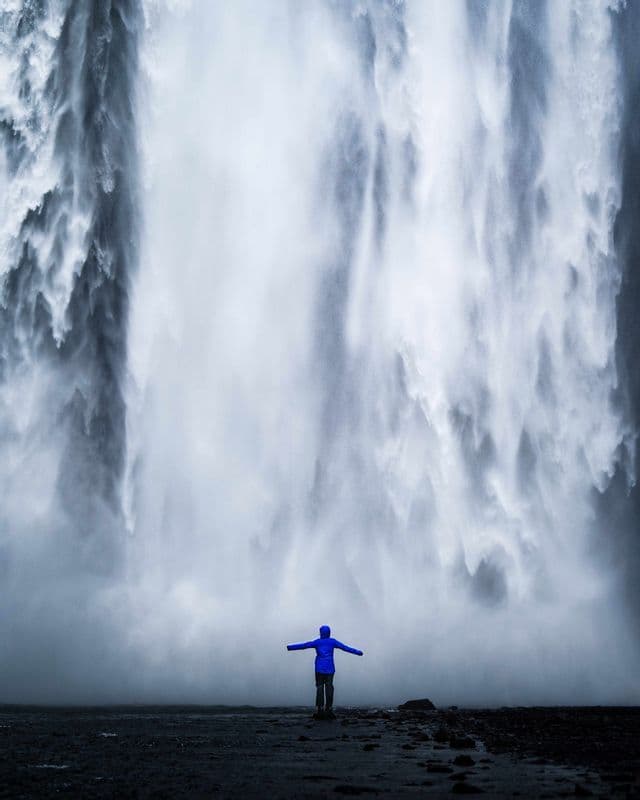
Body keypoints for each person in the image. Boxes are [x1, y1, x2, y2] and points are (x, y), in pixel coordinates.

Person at [286, 625, 363, 718]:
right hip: (330, 669)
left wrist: (290, 647)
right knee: (329, 688)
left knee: (319, 688)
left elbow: (304, 645)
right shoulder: (332, 642)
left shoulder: (317, 642)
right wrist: (358, 652)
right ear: (329, 633)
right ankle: (329, 708)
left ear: (321, 633)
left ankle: (320, 709)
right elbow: (345, 648)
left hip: (319, 668)